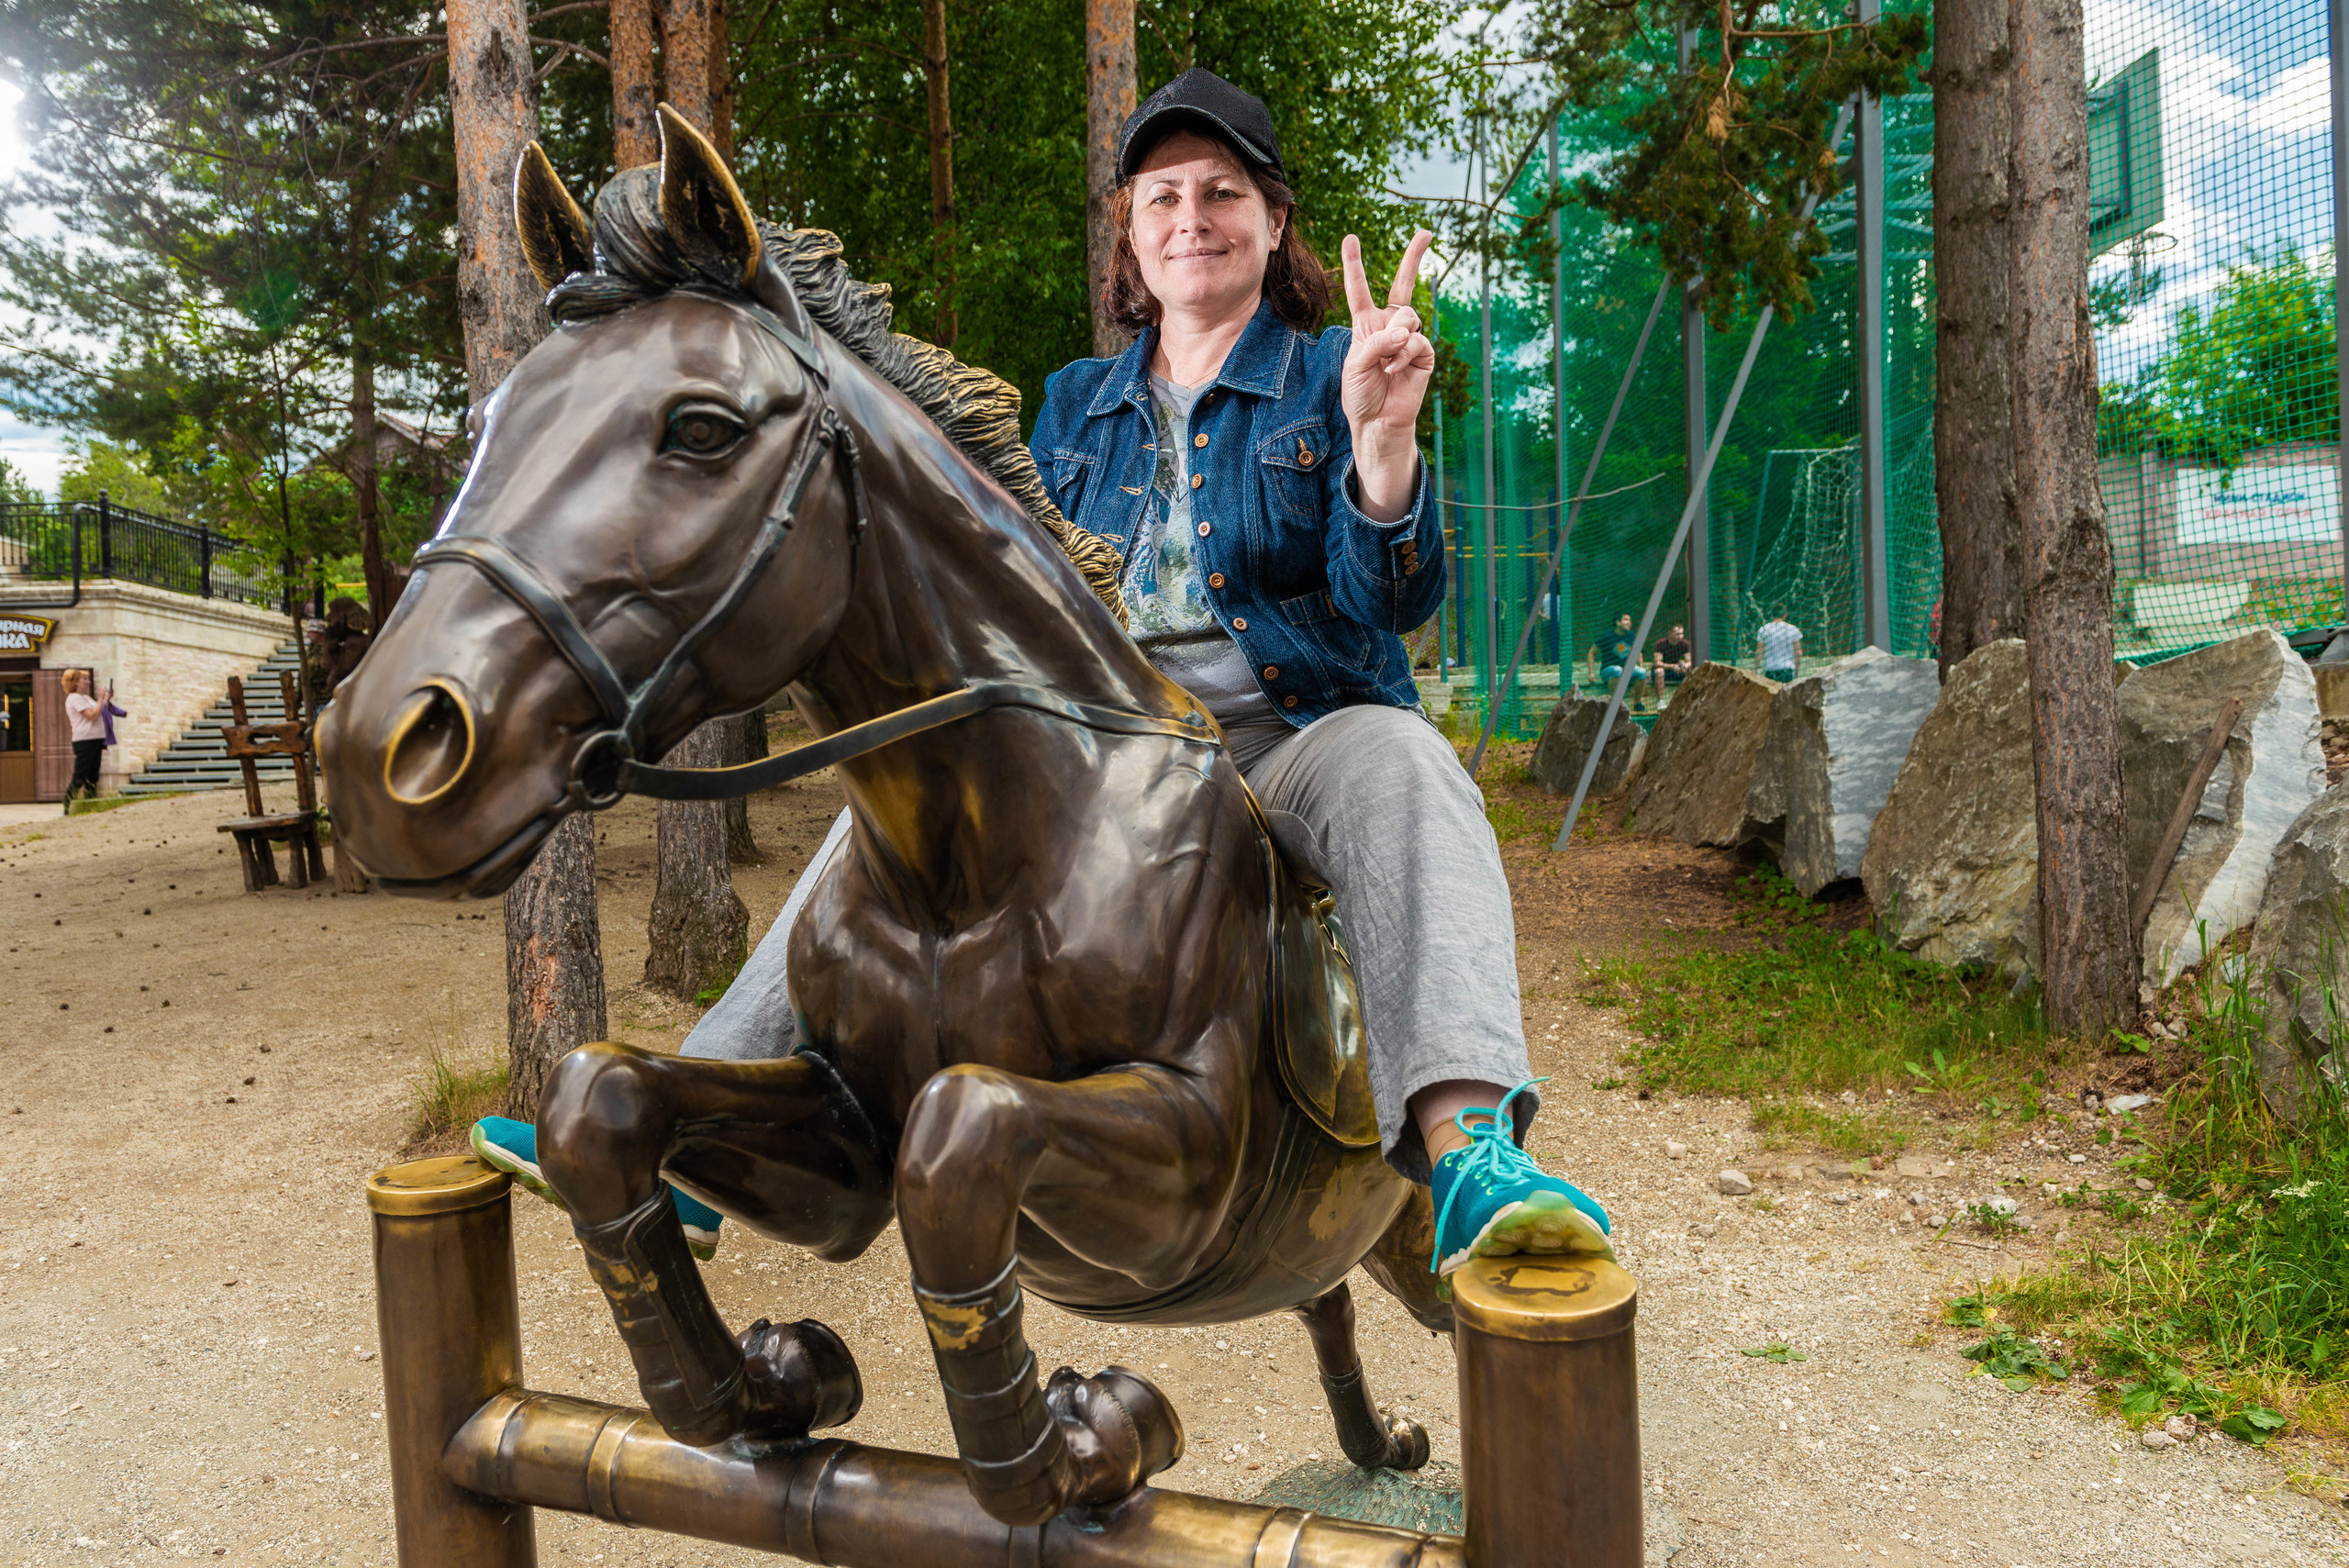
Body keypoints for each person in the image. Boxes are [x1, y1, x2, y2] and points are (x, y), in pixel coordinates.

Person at [474, 69, 1610, 1282]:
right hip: (1108, 746)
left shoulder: (1334, 372)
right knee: (889, 805)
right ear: (1132, 232)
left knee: (1406, 761)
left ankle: (1468, 1146)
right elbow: (1012, 586)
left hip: (1291, 733)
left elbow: (1388, 603)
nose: (1191, 217)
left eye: (1223, 192)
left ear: (1274, 222)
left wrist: (1381, 442)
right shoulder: (1073, 405)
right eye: (1162, 195)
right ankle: (693, 1138)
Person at [61, 670, 106, 810]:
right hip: (85, 741)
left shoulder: (86, 698)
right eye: (84, 679)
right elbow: (92, 715)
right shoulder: (74, 698)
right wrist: (100, 699)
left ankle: (91, 805)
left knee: (93, 777)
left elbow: (100, 710)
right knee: (80, 776)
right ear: (75, 682)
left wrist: (106, 699)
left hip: (95, 739)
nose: (88, 682)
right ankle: (68, 806)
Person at [1756, 606, 1802, 683]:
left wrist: (1756, 669)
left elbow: (1759, 651)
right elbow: (1798, 652)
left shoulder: (1763, 629)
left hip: (1770, 669)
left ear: (1771, 615)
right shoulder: (1793, 629)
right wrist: (1797, 671)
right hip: (1787, 668)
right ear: (1785, 615)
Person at [1652, 622, 1693, 702]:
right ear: (1670, 633)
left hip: (1677, 671)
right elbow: (1657, 663)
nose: (1680, 636)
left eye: (1681, 634)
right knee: (1659, 671)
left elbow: (1689, 661)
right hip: (1664, 671)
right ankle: (1660, 701)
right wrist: (1672, 666)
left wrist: (1685, 666)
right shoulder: (1660, 644)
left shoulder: (1685, 644)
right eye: (1677, 634)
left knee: (1690, 670)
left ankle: (1688, 698)